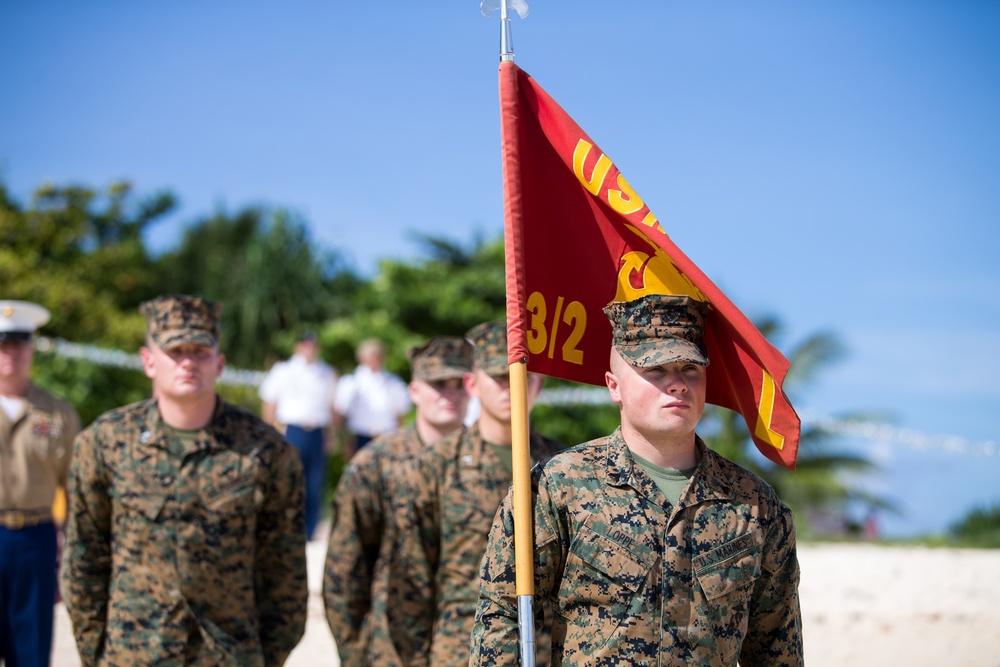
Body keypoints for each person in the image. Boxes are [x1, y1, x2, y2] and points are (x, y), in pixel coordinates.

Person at [470, 294, 803, 666]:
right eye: (656, 369)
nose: (677, 384)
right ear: (614, 386)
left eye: (691, 369)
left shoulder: (753, 504)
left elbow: (777, 647)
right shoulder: (557, 486)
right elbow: (502, 620)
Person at [60, 294, 308, 666]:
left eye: (201, 351)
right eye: (176, 351)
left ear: (219, 363)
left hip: (228, 655)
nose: (188, 362)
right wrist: (98, 654)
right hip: (134, 654)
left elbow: (284, 573)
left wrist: (264, 658)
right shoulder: (105, 443)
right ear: (148, 361)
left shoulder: (265, 451)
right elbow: (85, 560)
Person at [386, 321, 563, 667]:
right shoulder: (434, 466)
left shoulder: (562, 470)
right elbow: (409, 585)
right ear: (472, 384)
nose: (512, 386)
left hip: (542, 655)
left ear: (539, 384)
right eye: (499, 377)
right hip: (458, 653)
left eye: (523, 377)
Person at [323, 335, 474, 666]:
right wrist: (354, 653)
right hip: (391, 648)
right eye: (438, 384)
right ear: (415, 391)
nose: (450, 394)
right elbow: (345, 570)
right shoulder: (375, 463)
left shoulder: (490, 463)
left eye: (458, 384)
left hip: (470, 649)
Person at [0, 300, 81, 667]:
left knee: (30, 651)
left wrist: (70, 548)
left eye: (17, 344)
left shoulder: (56, 412)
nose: (9, 354)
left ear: (31, 348)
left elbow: (75, 486)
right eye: (2, 345)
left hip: (36, 537)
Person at [259, 330, 338, 540]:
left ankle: (310, 531)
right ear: (298, 346)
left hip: (317, 431)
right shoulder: (284, 370)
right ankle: (287, 528)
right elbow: (270, 402)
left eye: (312, 344)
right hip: (292, 430)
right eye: (305, 344)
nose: (309, 348)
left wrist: (332, 434)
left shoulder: (325, 372)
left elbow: (332, 406)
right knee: (289, 481)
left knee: (315, 483)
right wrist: (269, 432)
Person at [333, 338, 411, 457]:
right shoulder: (351, 382)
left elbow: (399, 415)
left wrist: (401, 441)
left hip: (387, 437)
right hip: (359, 437)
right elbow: (341, 413)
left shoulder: (393, 382)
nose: (374, 360)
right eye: (370, 356)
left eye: (377, 356)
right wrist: (342, 440)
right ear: (362, 358)